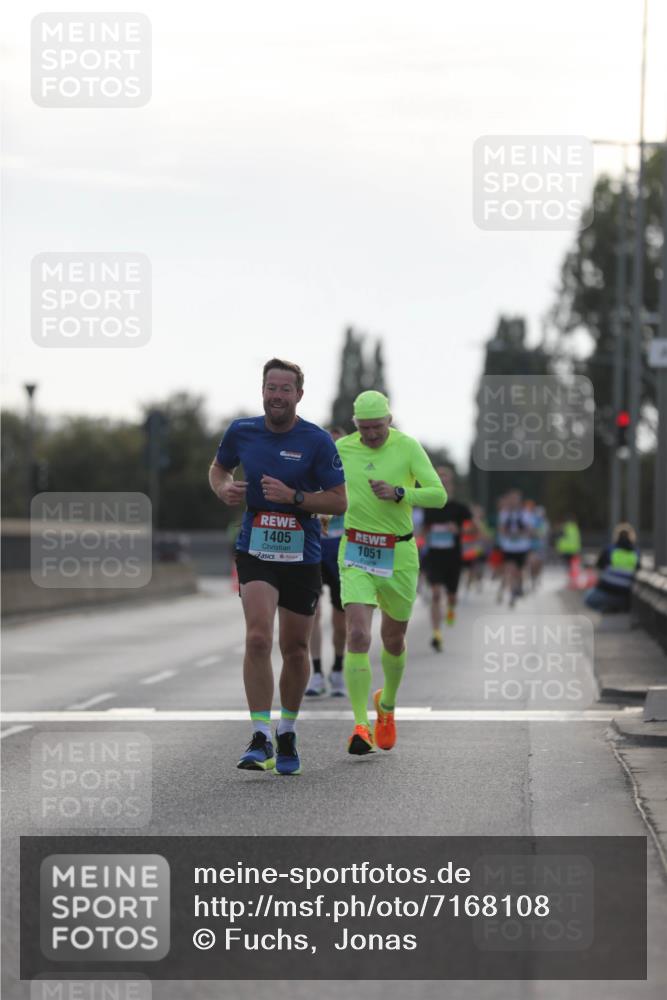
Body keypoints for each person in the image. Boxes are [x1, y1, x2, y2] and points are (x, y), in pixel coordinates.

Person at [209, 358, 347, 775]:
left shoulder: (317, 440)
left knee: (295, 647)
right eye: (271, 387)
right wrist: (224, 489)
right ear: (262, 391)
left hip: (302, 555)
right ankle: (260, 735)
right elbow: (219, 468)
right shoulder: (242, 431)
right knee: (256, 639)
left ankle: (287, 730)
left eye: (285, 389)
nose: (277, 396)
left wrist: (295, 498)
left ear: (299, 395)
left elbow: (339, 500)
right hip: (256, 550)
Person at [335, 391, 446, 755]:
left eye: (377, 427)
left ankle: (387, 706)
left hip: (398, 552)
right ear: (355, 425)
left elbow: (437, 495)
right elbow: (325, 487)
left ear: (390, 420)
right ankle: (360, 725)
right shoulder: (344, 449)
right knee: (357, 635)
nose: (370, 435)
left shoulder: (408, 447)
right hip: (355, 550)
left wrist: (401, 493)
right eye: (364, 428)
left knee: (393, 639)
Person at [306, 426, 348, 697]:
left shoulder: (349, 476)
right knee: (312, 613)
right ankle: (317, 672)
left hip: (342, 550)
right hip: (313, 548)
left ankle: (338, 671)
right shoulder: (311, 471)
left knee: (341, 616)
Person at [420, 467, 471, 651]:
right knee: (435, 594)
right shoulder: (430, 507)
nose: (443, 483)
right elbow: (423, 532)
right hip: (434, 557)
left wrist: (458, 530)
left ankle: (450, 609)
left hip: (453, 558)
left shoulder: (460, 508)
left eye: (446, 480)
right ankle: (436, 634)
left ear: (451, 485)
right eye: (439, 480)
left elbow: (474, 530)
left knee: (452, 597)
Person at [585, 523, 640, 613]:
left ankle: (606, 609)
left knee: (588, 599)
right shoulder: (636, 552)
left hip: (606, 590)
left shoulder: (610, 549)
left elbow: (599, 566)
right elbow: (638, 568)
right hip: (625, 594)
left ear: (616, 536)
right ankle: (616, 607)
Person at [496, 490, 533, 607]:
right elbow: (501, 529)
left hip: (522, 547)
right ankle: (512, 593)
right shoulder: (504, 513)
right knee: (510, 570)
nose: (513, 501)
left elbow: (529, 529)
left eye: (515, 499)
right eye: (511, 499)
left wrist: (519, 533)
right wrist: (507, 533)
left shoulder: (525, 513)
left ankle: (518, 587)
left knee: (519, 572)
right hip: (509, 547)